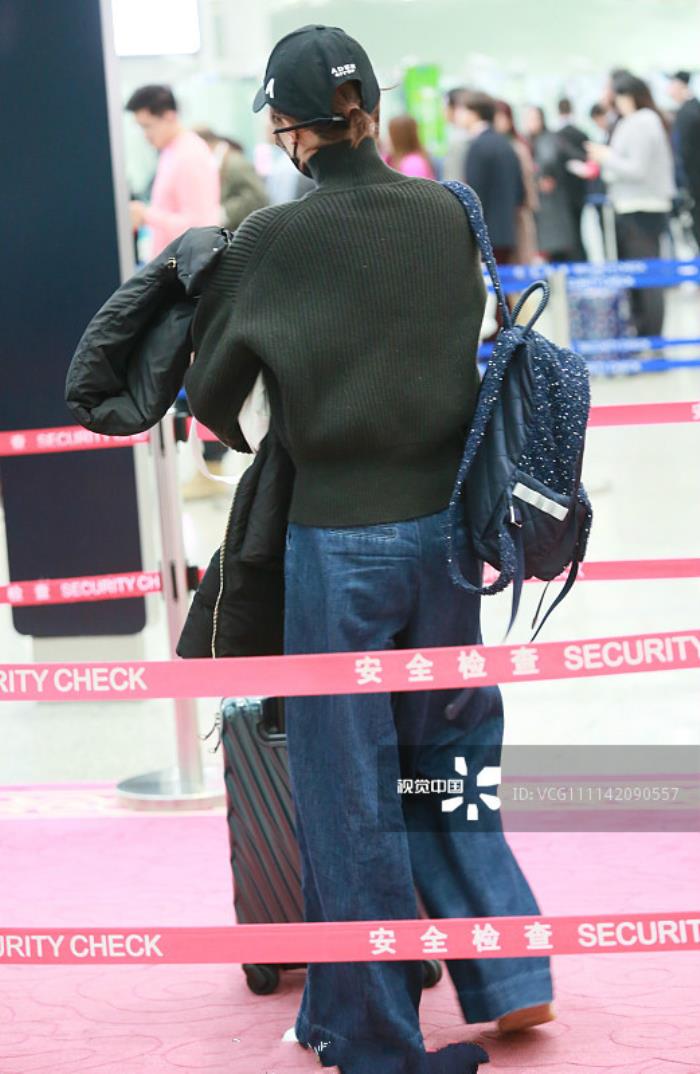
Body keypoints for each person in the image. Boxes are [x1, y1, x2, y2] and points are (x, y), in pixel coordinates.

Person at [185, 24, 553, 1074]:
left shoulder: (271, 238)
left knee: (348, 784)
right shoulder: (448, 211)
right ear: (373, 108)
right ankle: (507, 972)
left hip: (337, 539)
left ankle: (370, 1028)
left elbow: (212, 399)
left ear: (288, 126)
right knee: (450, 752)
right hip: (449, 534)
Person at [586, 72, 676, 337]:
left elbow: (637, 168)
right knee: (637, 277)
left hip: (643, 208)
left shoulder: (643, 121)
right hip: (631, 206)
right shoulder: (638, 121)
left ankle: (651, 336)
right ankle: (642, 333)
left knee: (646, 277)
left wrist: (606, 157)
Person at [125, 84, 220, 257]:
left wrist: (146, 215)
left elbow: (199, 227)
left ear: (169, 117)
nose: (145, 135)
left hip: (185, 267)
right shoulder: (171, 151)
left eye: (147, 126)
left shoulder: (190, 155)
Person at [457, 91, 524, 264]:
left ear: (474, 113)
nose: (459, 115)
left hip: (485, 234)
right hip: (507, 231)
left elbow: (473, 194)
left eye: (463, 110)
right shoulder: (505, 143)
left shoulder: (478, 146)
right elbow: (519, 191)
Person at [523, 105, 578, 263]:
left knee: (556, 248)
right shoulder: (528, 141)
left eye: (534, 118)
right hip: (539, 203)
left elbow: (549, 161)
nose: (530, 123)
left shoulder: (549, 140)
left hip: (551, 203)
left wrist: (542, 176)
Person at [195, 128, 269, 231]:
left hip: (242, 231)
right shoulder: (220, 162)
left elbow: (257, 198)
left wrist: (223, 213)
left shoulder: (235, 163)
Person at [493, 100, 539, 264]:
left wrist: (527, 204)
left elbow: (527, 183)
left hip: (518, 214)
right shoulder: (494, 146)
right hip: (501, 218)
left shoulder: (517, 147)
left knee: (519, 262)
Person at [667, 70, 700, 246]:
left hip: (694, 184)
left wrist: (685, 185)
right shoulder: (691, 109)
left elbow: (684, 153)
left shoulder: (688, 113)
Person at [554, 98, 588, 261]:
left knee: (569, 230)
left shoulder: (557, 136)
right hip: (580, 189)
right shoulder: (581, 133)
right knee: (578, 228)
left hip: (564, 191)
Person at [443, 87, 471, 181]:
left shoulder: (461, 138)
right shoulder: (458, 134)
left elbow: (454, 178)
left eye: (446, 106)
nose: (444, 111)